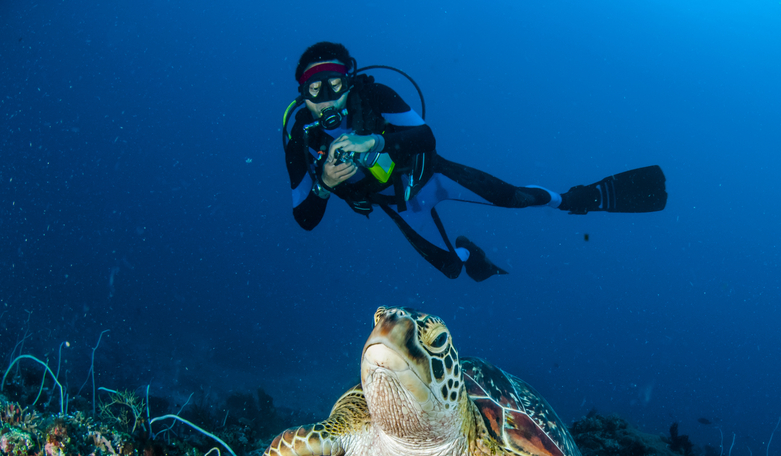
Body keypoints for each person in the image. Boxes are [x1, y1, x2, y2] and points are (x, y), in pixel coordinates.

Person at [284, 42, 667, 281]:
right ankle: (471, 252)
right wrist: (325, 185)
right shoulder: (301, 135)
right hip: (398, 203)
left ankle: (576, 198)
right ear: (302, 95)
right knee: (453, 267)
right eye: (313, 90)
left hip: (432, 175)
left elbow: (426, 137)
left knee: (512, 197)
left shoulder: (376, 96)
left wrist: (377, 138)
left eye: (334, 84)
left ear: (349, 81)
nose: (326, 98)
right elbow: (305, 219)